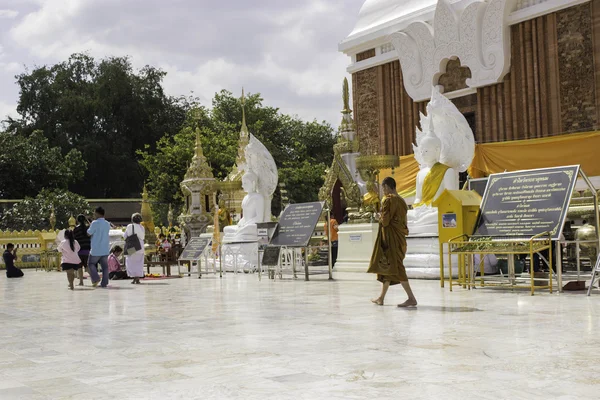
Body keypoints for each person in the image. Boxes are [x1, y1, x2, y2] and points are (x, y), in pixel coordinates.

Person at [367, 177, 417, 307]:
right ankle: (381, 298)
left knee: (397, 267)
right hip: (400, 238)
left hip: (391, 239)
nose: (383, 191)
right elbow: (403, 222)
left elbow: (385, 221)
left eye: (383, 188)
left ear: (388, 187)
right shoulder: (402, 202)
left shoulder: (389, 200)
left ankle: (411, 298)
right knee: (389, 267)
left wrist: (379, 216)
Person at [87, 207, 111, 288]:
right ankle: (104, 283)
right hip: (105, 248)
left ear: (97, 213)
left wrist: (89, 226)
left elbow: (89, 233)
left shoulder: (95, 223)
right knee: (105, 267)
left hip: (96, 248)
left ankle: (96, 278)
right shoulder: (107, 223)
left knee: (91, 264)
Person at [124, 213, 145, 284]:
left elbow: (125, 236)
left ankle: (133, 277)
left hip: (131, 247)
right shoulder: (142, 227)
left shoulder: (129, 226)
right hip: (140, 247)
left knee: (130, 262)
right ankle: (137, 277)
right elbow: (142, 237)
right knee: (139, 262)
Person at [73, 214, 91, 286]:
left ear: (77, 221)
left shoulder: (76, 229)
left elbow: (74, 239)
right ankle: (94, 279)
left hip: (79, 250)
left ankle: (81, 282)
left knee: (79, 266)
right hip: (87, 250)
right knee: (86, 266)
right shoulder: (88, 228)